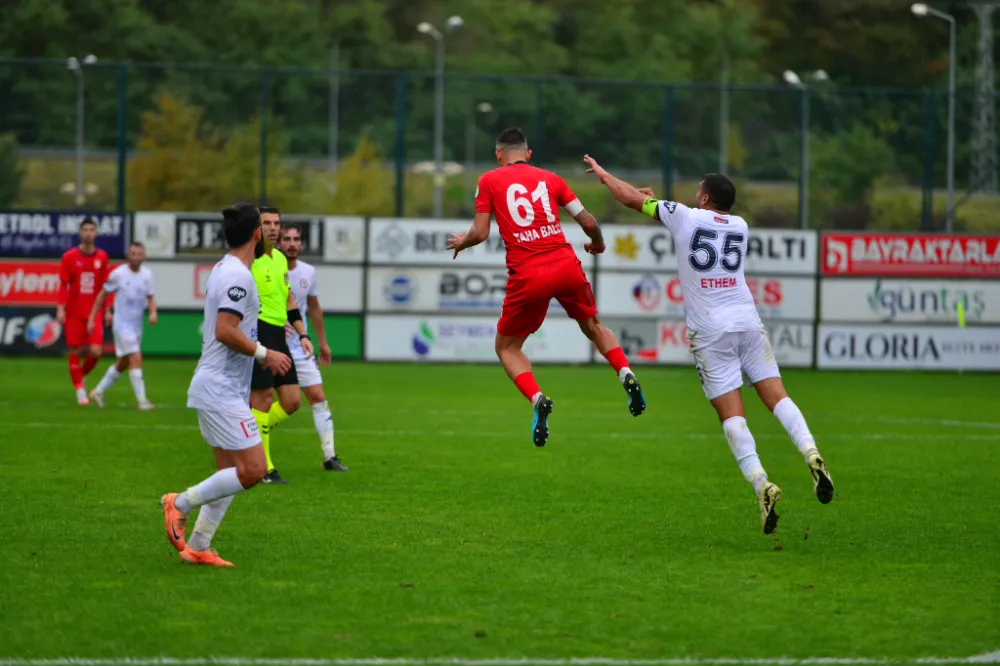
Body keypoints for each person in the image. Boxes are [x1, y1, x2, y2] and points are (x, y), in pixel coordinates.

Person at [583, 156, 834, 534]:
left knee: (732, 416)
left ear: (703, 198)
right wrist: (659, 204)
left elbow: (630, 200)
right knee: (777, 397)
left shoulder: (683, 216)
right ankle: (811, 452)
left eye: (697, 191)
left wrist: (604, 176)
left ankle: (761, 483)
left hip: (710, 331)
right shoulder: (740, 224)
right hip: (747, 321)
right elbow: (671, 211)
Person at [446, 128, 646, 448]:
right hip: (565, 263)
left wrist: (462, 241)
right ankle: (625, 373)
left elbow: (481, 232)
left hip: (528, 273)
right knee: (594, 326)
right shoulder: (551, 179)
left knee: (507, 348)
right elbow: (590, 223)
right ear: (529, 153)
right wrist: (597, 244)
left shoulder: (489, 181)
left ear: (498, 156)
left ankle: (538, 399)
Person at [160, 203, 292, 567]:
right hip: (220, 389)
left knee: (229, 474)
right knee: (253, 470)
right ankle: (179, 503)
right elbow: (224, 331)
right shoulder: (237, 276)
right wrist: (267, 353)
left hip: (221, 387)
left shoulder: (226, 268)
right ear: (256, 235)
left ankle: (200, 546)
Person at [249, 206, 314, 485]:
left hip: (280, 333)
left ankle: (248, 434)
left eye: (276, 223)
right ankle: (265, 467)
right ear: (257, 228)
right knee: (262, 400)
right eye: (267, 223)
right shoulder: (248, 260)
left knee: (291, 401)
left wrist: (303, 334)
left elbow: (288, 300)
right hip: (258, 331)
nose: (273, 228)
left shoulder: (278, 259)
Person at [276, 224, 348, 472]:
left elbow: (314, 308)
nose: (292, 243)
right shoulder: (267, 268)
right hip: (271, 347)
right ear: (278, 243)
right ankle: (249, 448)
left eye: (296, 239)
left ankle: (329, 457)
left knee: (318, 398)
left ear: (302, 245)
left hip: (300, 347)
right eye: (286, 239)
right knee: (265, 402)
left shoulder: (309, 272)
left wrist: (323, 342)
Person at [87, 242, 157, 410]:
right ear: (128, 255)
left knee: (124, 362)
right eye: (133, 253)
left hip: (136, 325)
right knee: (136, 357)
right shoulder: (118, 274)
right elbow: (102, 295)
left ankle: (98, 391)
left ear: (144, 256)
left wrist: (153, 312)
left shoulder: (147, 275)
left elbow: (150, 297)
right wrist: (92, 317)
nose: (136, 257)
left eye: (139, 253)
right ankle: (142, 401)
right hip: (122, 325)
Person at [57, 218, 112, 406]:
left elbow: (106, 286)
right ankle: (80, 390)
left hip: (94, 313)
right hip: (74, 312)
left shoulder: (103, 257)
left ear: (96, 233)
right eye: (85, 230)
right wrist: (60, 308)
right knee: (75, 351)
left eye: (91, 230)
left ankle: (79, 376)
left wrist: (108, 310)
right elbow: (63, 285)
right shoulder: (69, 257)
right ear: (80, 233)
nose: (88, 233)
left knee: (96, 352)